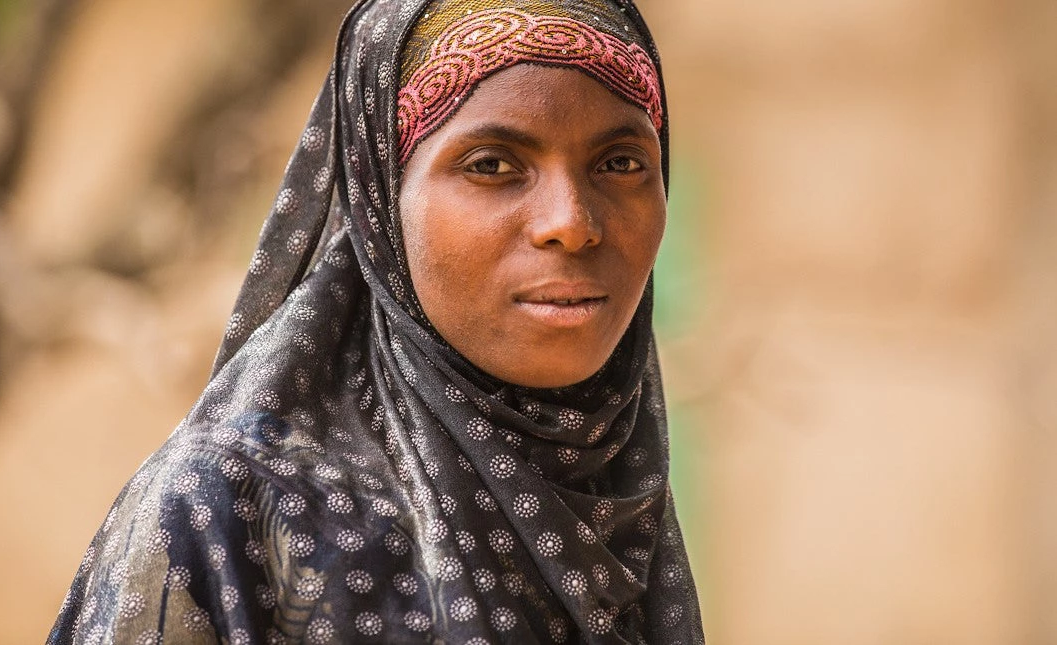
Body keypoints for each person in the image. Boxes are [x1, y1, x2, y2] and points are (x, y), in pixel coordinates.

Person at [47, 0, 704, 642]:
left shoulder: (615, 488)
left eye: (619, 163)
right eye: (493, 165)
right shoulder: (231, 510)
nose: (571, 222)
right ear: (379, 202)